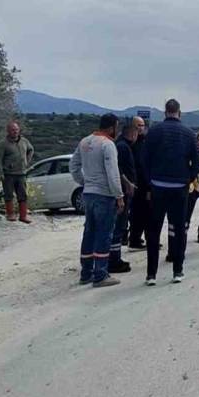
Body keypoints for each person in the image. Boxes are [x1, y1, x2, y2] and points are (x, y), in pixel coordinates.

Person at [143, 99, 199, 285]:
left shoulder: (154, 131)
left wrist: (150, 181)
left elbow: (145, 159)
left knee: (154, 230)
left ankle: (151, 275)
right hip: (179, 188)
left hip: (158, 186)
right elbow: (197, 162)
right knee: (178, 230)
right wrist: (188, 179)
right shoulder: (189, 134)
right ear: (179, 112)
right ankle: (178, 271)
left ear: (165, 112)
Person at [70, 114, 125, 288]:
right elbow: (112, 173)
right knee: (104, 234)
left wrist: (84, 182)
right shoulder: (108, 145)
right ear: (112, 127)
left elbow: (73, 166)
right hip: (104, 195)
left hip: (88, 194)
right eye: (117, 127)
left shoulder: (85, 142)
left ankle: (86, 273)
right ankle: (100, 274)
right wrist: (119, 196)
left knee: (89, 233)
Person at [109, 120, 138, 273]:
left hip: (123, 191)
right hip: (122, 193)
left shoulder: (121, 145)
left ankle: (115, 258)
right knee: (118, 226)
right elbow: (118, 170)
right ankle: (114, 260)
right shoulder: (122, 147)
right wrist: (128, 184)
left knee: (120, 226)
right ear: (132, 133)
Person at [0, 121, 35, 223]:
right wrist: (0, 173)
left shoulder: (24, 141)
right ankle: (10, 214)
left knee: (23, 195)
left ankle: (23, 216)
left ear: (19, 130)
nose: (15, 131)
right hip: (8, 174)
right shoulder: (3, 144)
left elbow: (31, 150)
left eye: (16, 129)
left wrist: (27, 162)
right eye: (12, 130)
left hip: (21, 173)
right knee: (8, 195)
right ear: (8, 131)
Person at [127, 116, 150, 251]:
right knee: (136, 214)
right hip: (134, 184)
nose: (141, 128)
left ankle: (147, 239)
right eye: (138, 125)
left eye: (142, 125)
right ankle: (134, 239)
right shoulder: (130, 143)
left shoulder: (146, 141)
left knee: (147, 213)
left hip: (145, 183)